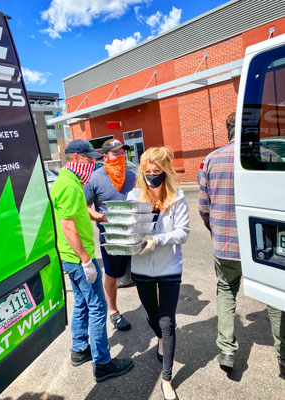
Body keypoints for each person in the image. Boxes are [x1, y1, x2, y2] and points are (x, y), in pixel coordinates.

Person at [198, 112, 285, 375]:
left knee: (226, 289)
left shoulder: (211, 159)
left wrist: (216, 230)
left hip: (226, 244)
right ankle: (283, 356)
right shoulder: (269, 156)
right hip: (264, 245)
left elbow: (204, 206)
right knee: (274, 297)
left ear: (228, 130)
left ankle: (226, 350)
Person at [50, 139, 133, 382]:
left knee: (83, 303)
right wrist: (86, 260)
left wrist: (102, 219)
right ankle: (103, 363)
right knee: (97, 307)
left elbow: (76, 215)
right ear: (75, 159)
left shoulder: (69, 181)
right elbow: (67, 227)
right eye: (88, 159)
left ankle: (79, 349)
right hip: (78, 257)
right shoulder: (70, 186)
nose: (92, 163)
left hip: (71, 256)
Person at [127, 146, 190, 400]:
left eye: (157, 171)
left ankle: (167, 379)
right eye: (148, 171)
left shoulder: (177, 197)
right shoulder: (134, 196)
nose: (152, 175)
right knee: (152, 317)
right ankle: (161, 339)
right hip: (141, 268)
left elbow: (183, 232)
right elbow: (129, 228)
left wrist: (158, 240)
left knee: (167, 322)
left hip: (168, 269)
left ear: (166, 171)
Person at [85, 138, 136, 331]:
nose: (121, 156)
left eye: (123, 153)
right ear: (105, 156)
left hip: (135, 234)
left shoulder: (132, 175)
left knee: (144, 275)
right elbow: (86, 207)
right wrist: (102, 218)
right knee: (112, 275)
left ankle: (152, 311)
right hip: (112, 238)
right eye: (116, 153)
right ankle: (113, 312)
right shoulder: (95, 178)